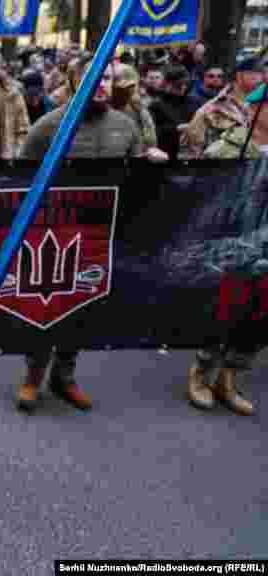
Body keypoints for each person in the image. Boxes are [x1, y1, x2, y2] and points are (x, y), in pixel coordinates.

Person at [17, 56, 156, 413]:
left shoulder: (125, 126)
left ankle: (64, 377)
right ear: (74, 81)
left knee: (83, 306)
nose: (103, 84)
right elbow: (16, 178)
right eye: (94, 78)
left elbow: (136, 178)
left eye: (108, 78)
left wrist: (152, 165)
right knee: (48, 306)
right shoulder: (49, 127)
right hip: (55, 237)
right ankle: (33, 376)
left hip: (100, 234)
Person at [185, 86, 268, 417]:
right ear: (255, 109)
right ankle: (201, 373)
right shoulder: (226, 149)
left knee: (258, 320)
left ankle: (230, 378)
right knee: (223, 313)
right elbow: (203, 201)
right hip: (233, 250)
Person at [183, 56, 262, 159]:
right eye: (255, 74)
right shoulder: (211, 108)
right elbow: (195, 148)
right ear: (239, 76)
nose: (262, 79)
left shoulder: (259, 102)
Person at [148, 64, 203, 160]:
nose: (183, 88)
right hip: (167, 153)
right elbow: (153, 132)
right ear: (168, 84)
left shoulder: (195, 102)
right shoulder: (156, 105)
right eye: (178, 85)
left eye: (185, 84)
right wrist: (175, 129)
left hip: (193, 153)